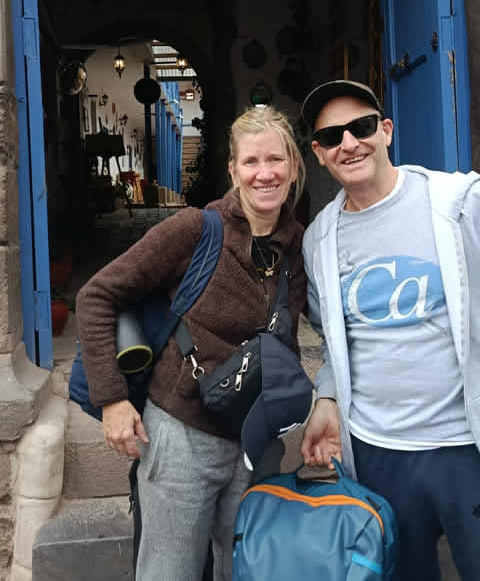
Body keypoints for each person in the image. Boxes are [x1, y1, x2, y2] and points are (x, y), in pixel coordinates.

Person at [294, 80, 480, 581]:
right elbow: (336, 339)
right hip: (377, 457)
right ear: (319, 154)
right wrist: (327, 396)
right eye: (331, 137)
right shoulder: (319, 238)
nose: (348, 143)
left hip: (476, 453)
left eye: (361, 127)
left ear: (386, 131)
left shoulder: (462, 203)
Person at [77, 105, 310, 580]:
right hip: (181, 436)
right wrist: (113, 400)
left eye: (276, 160)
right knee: (170, 572)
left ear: (293, 166)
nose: (264, 174)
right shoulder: (196, 230)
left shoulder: (299, 246)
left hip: (256, 440)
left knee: (248, 570)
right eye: (251, 162)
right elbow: (96, 295)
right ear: (232, 169)